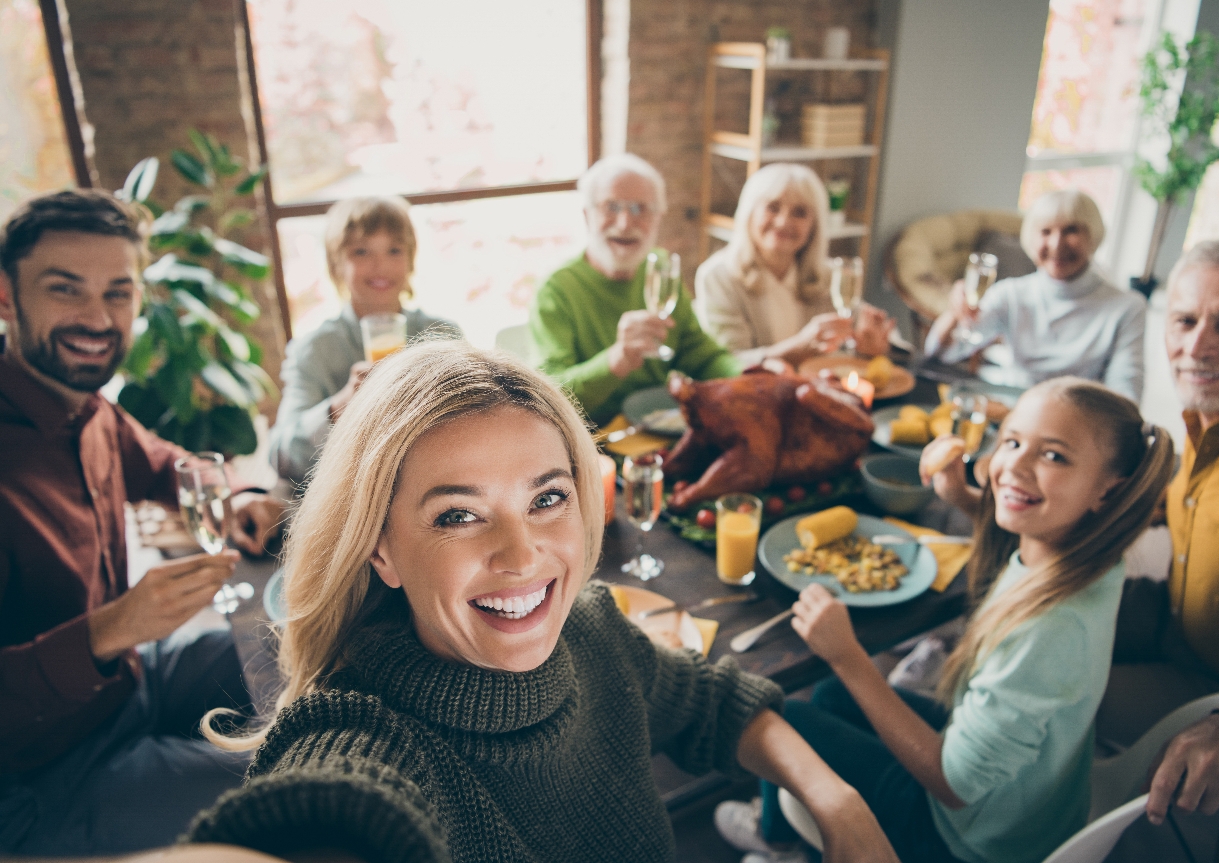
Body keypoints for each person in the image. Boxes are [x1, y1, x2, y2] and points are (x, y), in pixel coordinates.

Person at [184, 341, 899, 863]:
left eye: (547, 497)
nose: (522, 554)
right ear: (380, 548)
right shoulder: (368, 737)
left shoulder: (590, 632)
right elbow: (317, 823)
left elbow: (712, 701)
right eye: (458, 514)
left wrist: (835, 798)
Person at [718, 378, 1173, 863]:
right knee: (830, 694)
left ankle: (779, 843)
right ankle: (784, 826)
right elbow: (1026, 542)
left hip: (963, 840)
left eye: (1054, 456)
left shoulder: (1052, 630)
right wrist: (963, 497)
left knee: (782, 716)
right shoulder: (1091, 557)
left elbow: (953, 785)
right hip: (1028, 803)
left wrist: (849, 656)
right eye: (1013, 441)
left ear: (1108, 491)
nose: (1014, 465)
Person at [0, 190, 286, 855]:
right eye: (65, 290)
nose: (97, 317)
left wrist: (239, 492)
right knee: (304, 775)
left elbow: (167, 462)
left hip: (133, 682)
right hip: (41, 779)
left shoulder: (89, 407)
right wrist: (110, 629)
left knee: (301, 640)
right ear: (8, 297)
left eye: (118, 293)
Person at [1096, 238, 1219, 827]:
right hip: (1174, 630)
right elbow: (1173, 507)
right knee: (1018, 638)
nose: (1197, 346)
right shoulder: (1210, 423)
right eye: (1184, 320)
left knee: (1038, 700)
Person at [529, 154, 742, 426]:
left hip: (660, 426)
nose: (625, 223)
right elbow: (548, 398)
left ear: (659, 218)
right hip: (593, 442)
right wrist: (616, 359)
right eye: (611, 207)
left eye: (641, 209)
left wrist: (747, 374)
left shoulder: (661, 269)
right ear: (587, 215)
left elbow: (698, 353)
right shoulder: (556, 289)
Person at [267, 196, 461, 489]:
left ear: (410, 261)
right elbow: (281, 458)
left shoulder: (443, 335)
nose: (380, 265)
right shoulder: (315, 350)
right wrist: (339, 407)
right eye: (361, 252)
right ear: (337, 266)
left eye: (394, 250)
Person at [923, 190, 1147, 402]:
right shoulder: (1010, 294)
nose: (1057, 244)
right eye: (1046, 231)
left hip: (1078, 422)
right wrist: (955, 313)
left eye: (1071, 230)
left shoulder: (1127, 308)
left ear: (1093, 236)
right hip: (1011, 411)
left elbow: (1126, 398)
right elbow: (942, 352)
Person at [695, 163, 894, 366]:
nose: (783, 222)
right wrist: (800, 346)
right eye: (773, 207)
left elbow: (879, 336)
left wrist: (875, 347)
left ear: (814, 226)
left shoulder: (830, 275)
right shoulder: (718, 276)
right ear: (749, 213)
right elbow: (729, 362)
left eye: (799, 213)